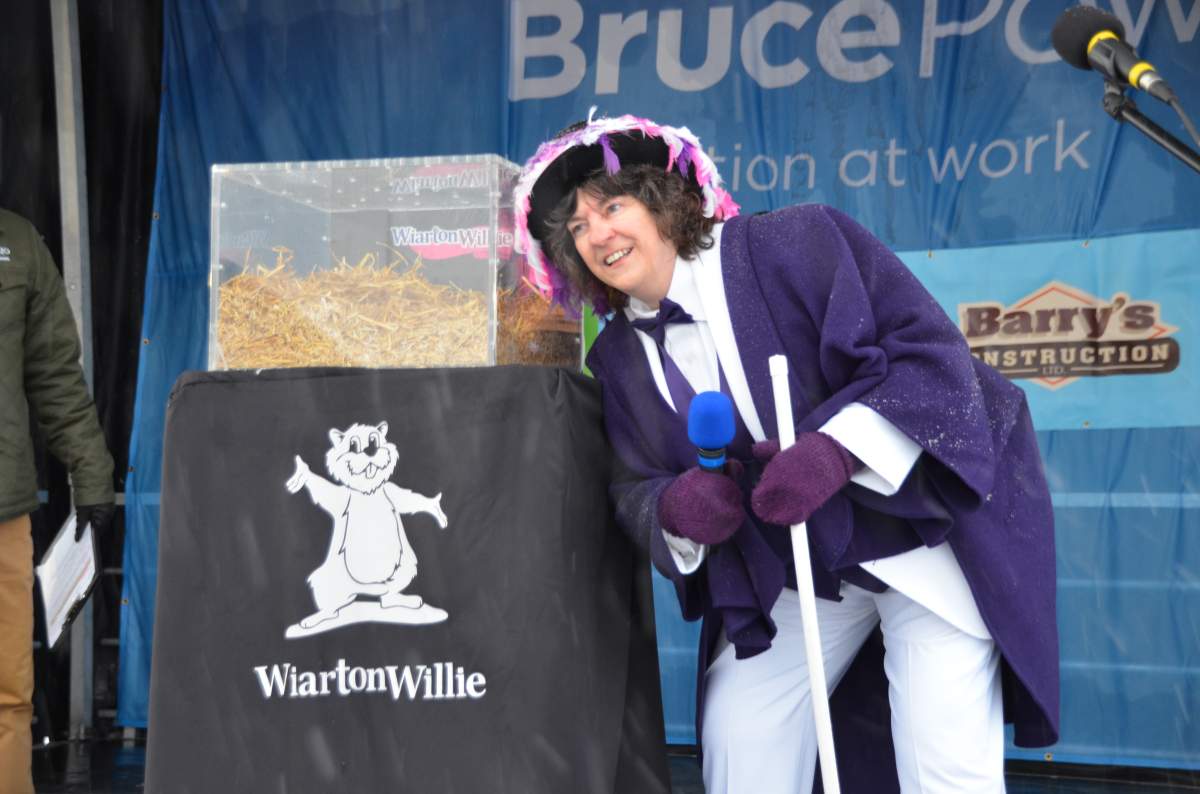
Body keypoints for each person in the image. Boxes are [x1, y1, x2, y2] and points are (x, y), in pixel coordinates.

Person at [513, 113, 1058, 794]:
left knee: (944, 764)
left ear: (661, 199)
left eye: (612, 206)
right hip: (797, 577)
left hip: (920, 543)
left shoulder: (796, 243)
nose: (597, 235)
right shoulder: (615, 357)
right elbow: (633, 487)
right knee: (741, 747)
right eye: (577, 229)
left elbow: (929, 361)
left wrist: (835, 450)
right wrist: (678, 509)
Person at [0, 207, 115, 794]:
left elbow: (55, 377)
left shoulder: (17, 244)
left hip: (3, 512)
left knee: (9, 695)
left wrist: (91, 475)